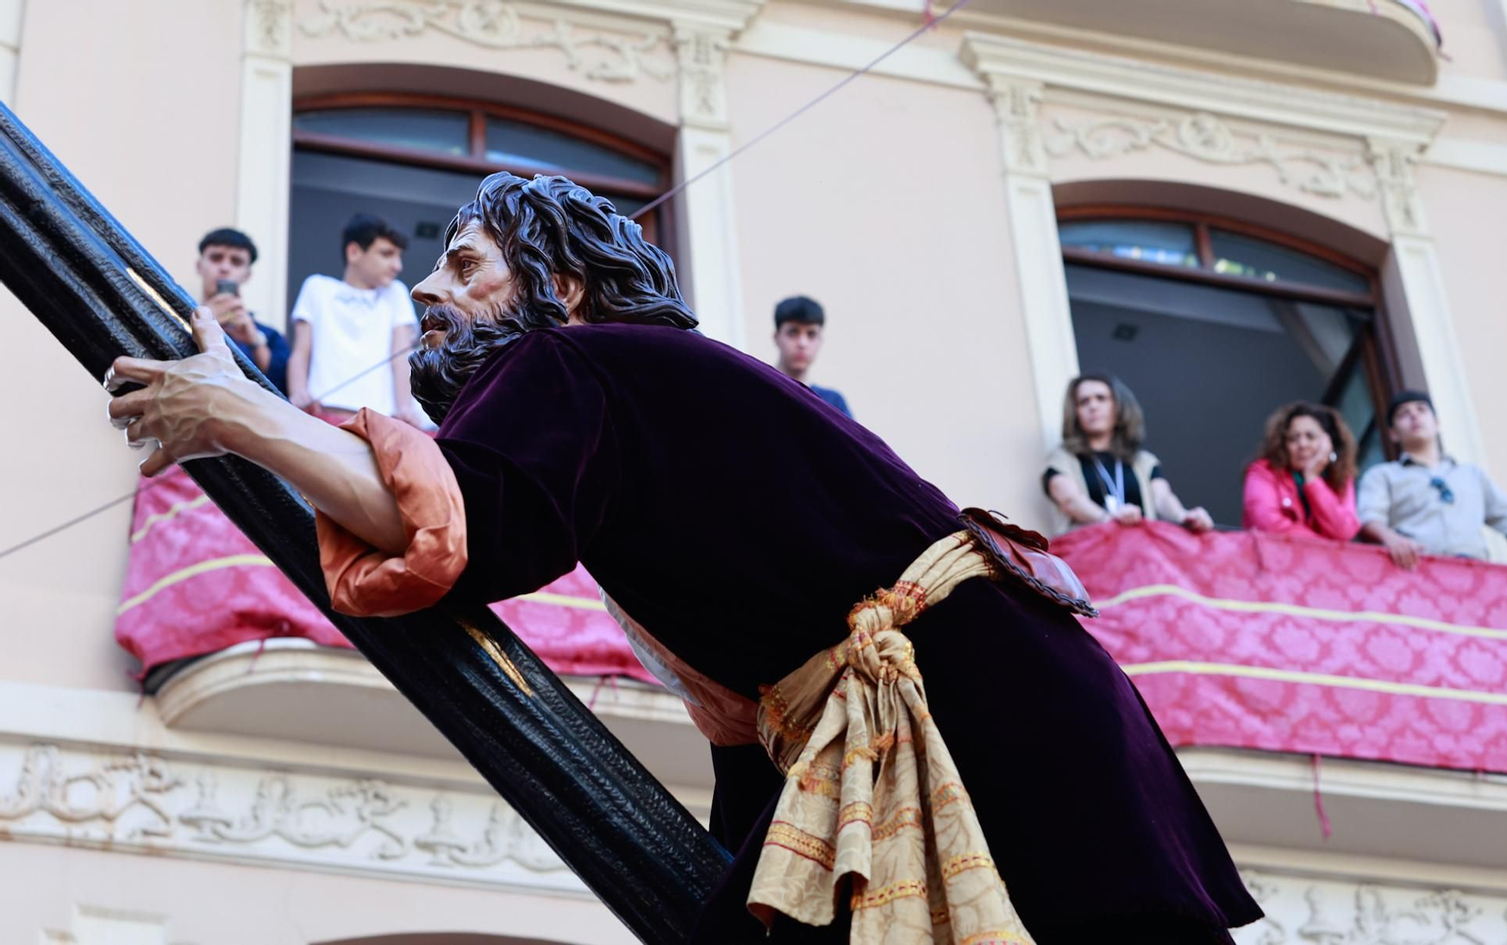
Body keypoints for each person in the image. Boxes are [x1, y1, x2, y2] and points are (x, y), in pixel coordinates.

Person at [106, 172, 1261, 943]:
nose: (427, 292)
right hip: (1001, 695)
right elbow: (748, 729)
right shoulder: (638, 405)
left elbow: (449, 528)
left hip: (977, 705)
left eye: (464, 266)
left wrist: (241, 413)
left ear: (557, 290)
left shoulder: (575, 365)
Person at [1357, 390, 1507, 585]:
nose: (1414, 416)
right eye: (1403, 414)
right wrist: (1392, 540)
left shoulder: (1471, 475)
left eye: (1421, 410)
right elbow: (1369, 518)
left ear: (1436, 423)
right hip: (1416, 576)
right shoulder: (1382, 475)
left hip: (1477, 576)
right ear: (1393, 433)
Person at [286, 213, 426, 427]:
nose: (398, 266)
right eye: (387, 254)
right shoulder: (316, 288)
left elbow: (401, 358)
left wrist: (404, 408)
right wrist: (297, 393)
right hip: (320, 415)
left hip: (378, 421)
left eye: (399, 256)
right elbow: (301, 352)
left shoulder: (396, 293)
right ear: (354, 252)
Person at [1043, 374, 1214, 533]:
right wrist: (1108, 519)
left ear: (1119, 408)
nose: (1093, 406)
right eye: (1083, 401)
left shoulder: (1144, 461)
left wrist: (1183, 516)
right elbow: (1070, 501)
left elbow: (1162, 498)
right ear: (1075, 413)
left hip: (1141, 554)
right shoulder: (1062, 460)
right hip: (1089, 557)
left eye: (1101, 398)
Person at [1241, 401, 1360, 541]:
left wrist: (1312, 479)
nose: (1302, 444)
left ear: (1328, 442)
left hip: (1324, 562)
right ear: (1283, 445)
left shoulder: (1341, 477)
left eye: (1310, 436)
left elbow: (1344, 531)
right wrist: (1322, 548)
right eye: (1293, 438)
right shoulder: (1263, 472)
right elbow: (1266, 523)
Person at [195, 227, 288, 393]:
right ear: (199, 266)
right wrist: (204, 321)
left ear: (247, 275)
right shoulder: (174, 319)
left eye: (236, 262)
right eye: (216, 258)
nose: (225, 267)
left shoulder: (271, 337)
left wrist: (255, 342)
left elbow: (281, 392)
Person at [772, 295, 852, 418]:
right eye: (793, 332)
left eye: (811, 334)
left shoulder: (834, 403)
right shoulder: (759, 392)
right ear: (777, 338)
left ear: (820, 341)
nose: (802, 343)